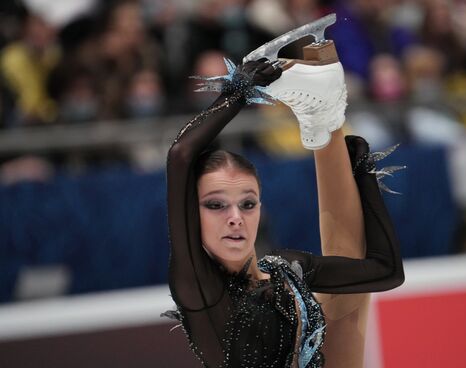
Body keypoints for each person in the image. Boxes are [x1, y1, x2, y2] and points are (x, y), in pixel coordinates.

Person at [163, 53, 404, 367]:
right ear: (194, 215)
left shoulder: (288, 269)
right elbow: (181, 156)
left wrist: (364, 176)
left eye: (247, 204)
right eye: (216, 205)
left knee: (350, 304)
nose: (235, 217)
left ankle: (321, 111)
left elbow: (386, 272)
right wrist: (238, 93)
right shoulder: (202, 290)